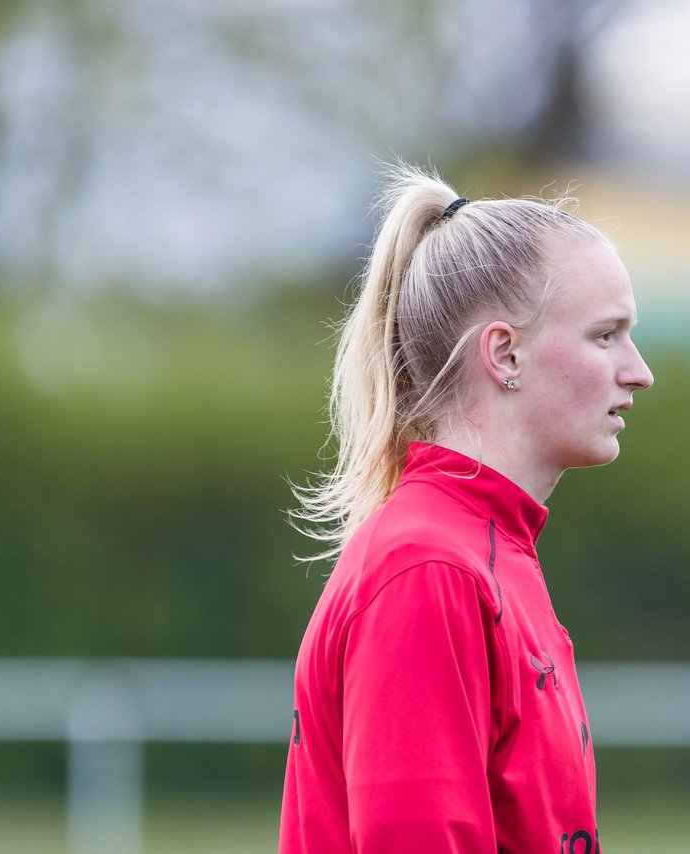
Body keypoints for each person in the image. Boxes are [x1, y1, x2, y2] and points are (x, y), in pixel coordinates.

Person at [279, 162, 654, 853]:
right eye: (607, 335)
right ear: (504, 353)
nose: (639, 370)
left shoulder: (482, 551)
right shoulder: (429, 567)